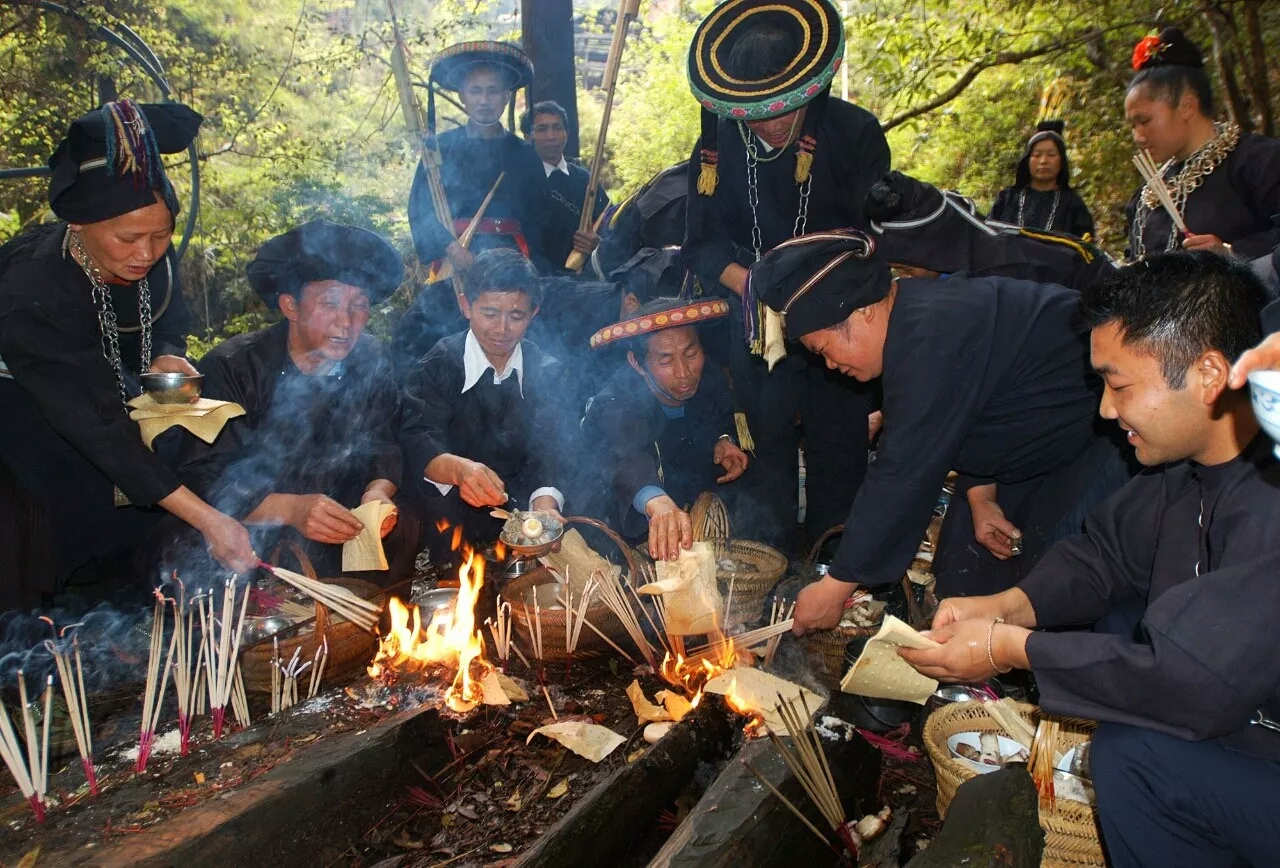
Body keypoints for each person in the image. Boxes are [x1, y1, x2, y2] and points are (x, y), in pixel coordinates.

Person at [900, 251, 1280, 868]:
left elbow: (1193, 683)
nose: (1105, 409)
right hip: (1248, 733)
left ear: (1208, 374)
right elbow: (1103, 554)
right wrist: (1008, 606)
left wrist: (1008, 648)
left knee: (1135, 757)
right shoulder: (1187, 471)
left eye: (1120, 384)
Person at [746, 230, 1132, 632]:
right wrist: (982, 495)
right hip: (1024, 449)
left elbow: (902, 473)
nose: (828, 366)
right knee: (963, 576)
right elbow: (978, 408)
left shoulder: (931, 334)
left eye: (823, 349)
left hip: (1100, 439)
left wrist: (836, 587)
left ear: (862, 311)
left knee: (1052, 585)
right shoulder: (912, 323)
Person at [0, 99, 255, 608]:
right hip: (29, 432)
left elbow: (170, 322)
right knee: (45, 561)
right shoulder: (32, 290)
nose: (146, 253)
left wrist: (164, 354)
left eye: (161, 235)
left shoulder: (152, 259)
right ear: (79, 226)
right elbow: (95, 425)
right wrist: (209, 519)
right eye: (129, 237)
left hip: (119, 427)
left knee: (128, 558)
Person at [681, 0, 889, 553]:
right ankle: (763, 568)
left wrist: (811, 297)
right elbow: (699, 245)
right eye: (752, 114)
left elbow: (875, 242)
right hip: (755, 322)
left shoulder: (854, 134)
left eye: (780, 111)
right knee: (761, 447)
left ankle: (835, 569)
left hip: (839, 324)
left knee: (838, 446)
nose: (768, 126)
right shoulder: (718, 141)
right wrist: (753, 284)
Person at [174, 221, 418, 584]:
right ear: (291, 305)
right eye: (330, 303)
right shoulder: (234, 367)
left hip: (340, 525)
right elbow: (206, 476)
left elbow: (384, 440)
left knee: (407, 524)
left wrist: (377, 494)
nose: (347, 321)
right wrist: (290, 509)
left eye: (359, 305)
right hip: (254, 530)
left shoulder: (372, 359)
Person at [400, 249, 568, 567]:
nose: (502, 329)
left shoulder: (549, 372)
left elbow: (553, 451)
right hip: (451, 515)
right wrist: (462, 471)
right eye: (490, 313)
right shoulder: (438, 365)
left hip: (523, 509)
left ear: (533, 313)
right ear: (466, 306)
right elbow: (419, 437)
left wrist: (545, 506)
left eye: (516, 316)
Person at [395, 41, 548, 375]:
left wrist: (518, 265)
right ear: (462, 95)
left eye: (493, 91)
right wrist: (453, 250)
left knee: (531, 336)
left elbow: (539, 218)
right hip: (453, 259)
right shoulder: (440, 150)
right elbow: (420, 208)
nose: (484, 100)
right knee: (413, 335)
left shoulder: (524, 154)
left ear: (507, 95)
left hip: (512, 261)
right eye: (475, 91)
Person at [579, 297, 749, 560]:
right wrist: (655, 501)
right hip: (621, 529)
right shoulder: (615, 401)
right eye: (666, 361)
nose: (684, 373)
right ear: (637, 363)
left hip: (692, 515)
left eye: (691, 354)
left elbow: (720, 416)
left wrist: (723, 439)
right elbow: (626, 456)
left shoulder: (710, 377)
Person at [1124, 27, 1280, 261]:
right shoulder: (1147, 194)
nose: (1138, 136)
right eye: (1132, 126)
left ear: (1187, 106)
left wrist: (1231, 253)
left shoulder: (1259, 161)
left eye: (1144, 121)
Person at [520, 100, 609, 274]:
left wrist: (598, 244)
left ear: (567, 134)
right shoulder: (519, 180)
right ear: (528, 137)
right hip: (533, 282)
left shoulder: (586, 180)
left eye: (557, 128)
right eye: (542, 129)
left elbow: (609, 226)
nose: (551, 136)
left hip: (581, 281)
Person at [989, 120, 1095, 239]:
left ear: (1062, 162)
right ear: (1027, 160)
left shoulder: (1073, 204)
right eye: (1037, 155)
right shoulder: (1008, 198)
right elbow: (988, 236)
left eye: (1051, 154)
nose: (1043, 161)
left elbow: (1086, 249)